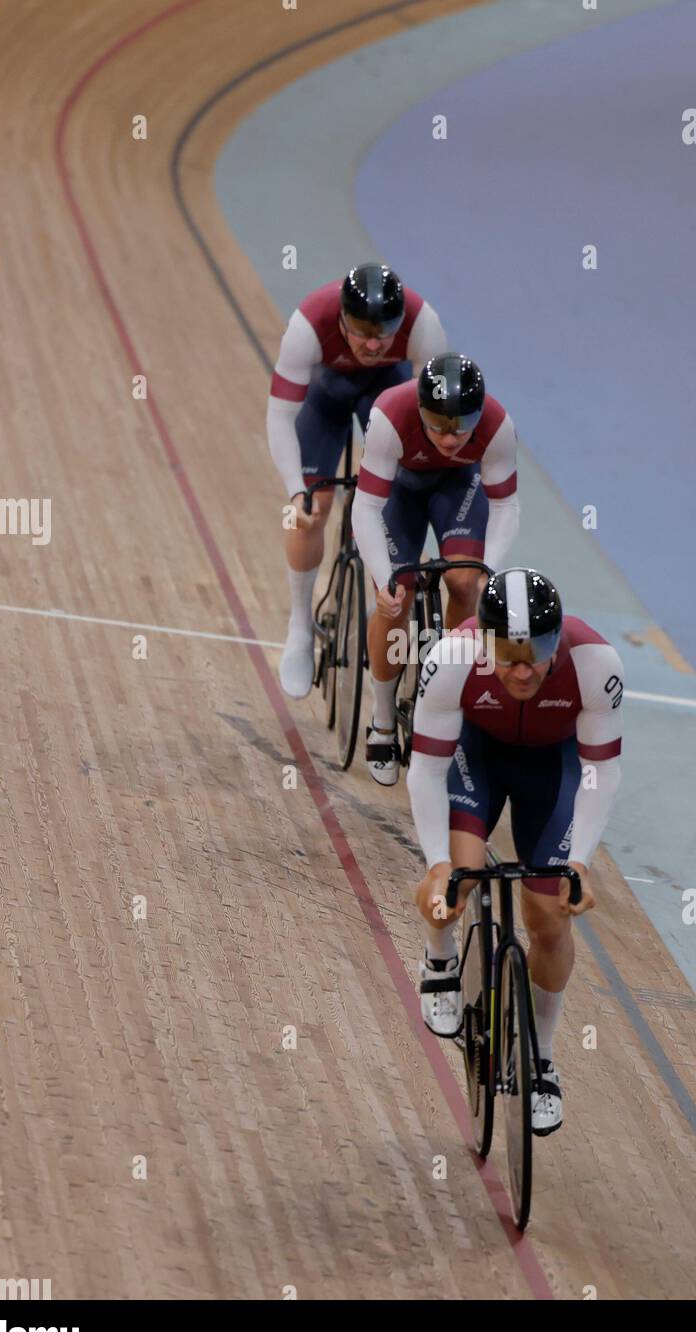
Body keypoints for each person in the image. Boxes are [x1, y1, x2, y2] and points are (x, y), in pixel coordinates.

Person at [406, 569, 624, 1135]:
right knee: (457, 883)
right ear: (483, 642)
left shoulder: (597, 664)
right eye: (508, 654)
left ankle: (542, 1058)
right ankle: (439, 957)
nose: (524, 669)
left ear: (559, 641)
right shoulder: (452, 658)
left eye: (539, 652)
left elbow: (600, 771)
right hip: (476, 758)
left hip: (553, 771)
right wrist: (437, 865)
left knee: (549, 917)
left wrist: (579, 864)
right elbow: (428, 769)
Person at [267, 263, 446, 698]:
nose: (371, 343)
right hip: (325, 396)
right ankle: (299, 626)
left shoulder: (424, 324)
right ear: (340, 319)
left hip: (389, 393)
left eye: (382, 334)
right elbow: (281, 415)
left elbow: (431, 421)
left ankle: (378, 599)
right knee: (310, 513)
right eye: (360, 331)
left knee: (391, 506)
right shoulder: (308, 325)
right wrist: (296, 491)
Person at [351, 352, 520, 786]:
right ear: (421, 410)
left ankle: (448, 690)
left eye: (461, 426)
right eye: (439, 425)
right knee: (395, 597)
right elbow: (367, 506)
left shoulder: (498, 425)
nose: (450, 438)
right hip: (398, 494)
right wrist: (382, 576)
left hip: (459, 490)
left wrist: (487, 569)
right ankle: (383, 717)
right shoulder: (391, 413)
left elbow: (505, 506)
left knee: (466, 581)